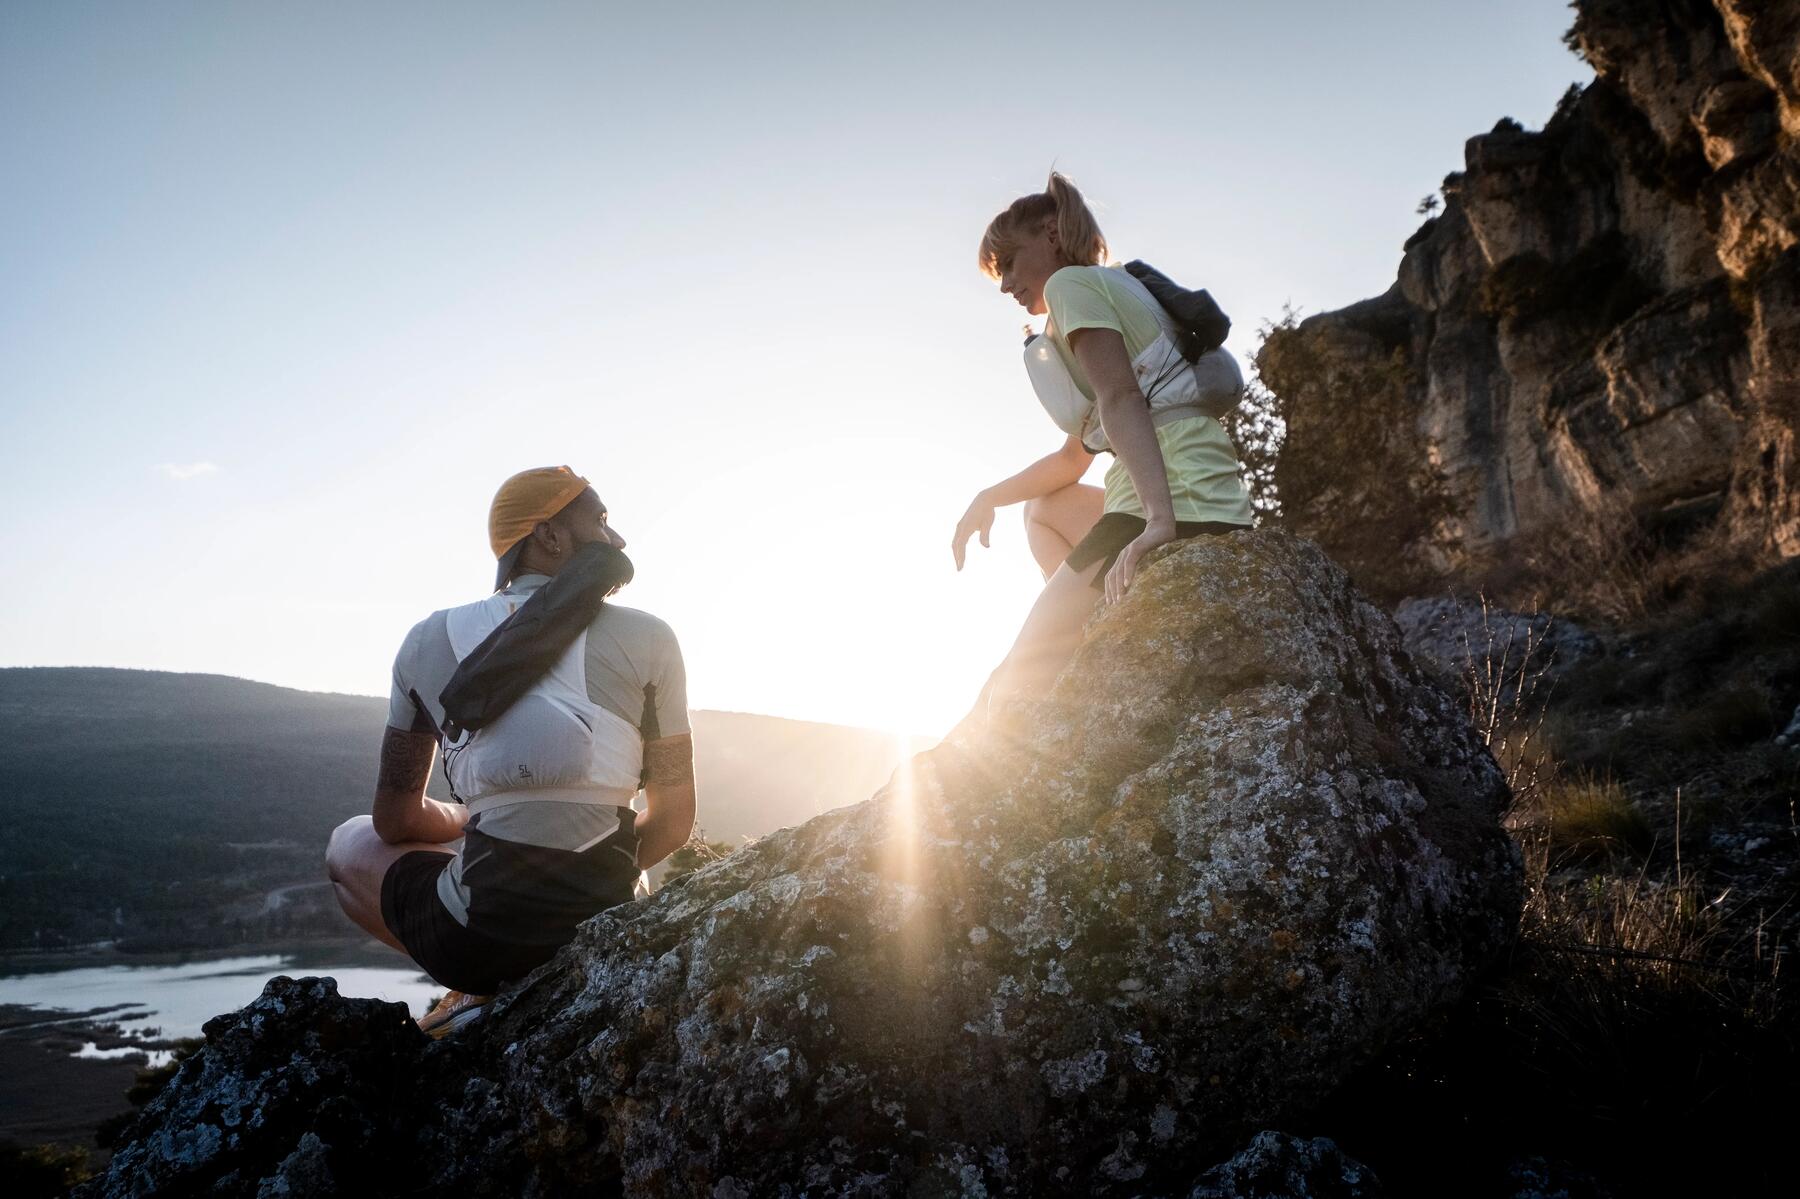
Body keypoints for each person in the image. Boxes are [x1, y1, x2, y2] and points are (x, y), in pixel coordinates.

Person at [326, 466, 695, 1035]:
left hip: (478, 945)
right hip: (607, 920)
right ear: (549, 536)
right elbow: (673, 824)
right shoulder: (651, 638)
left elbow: (394, 821)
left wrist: (464, 815)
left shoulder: (425, 640)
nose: (617, 540)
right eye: (600, 521)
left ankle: (478, 992)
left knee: (347, 843)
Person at [954, 173, 1255, 704]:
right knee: (1041, 509)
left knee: (1016, 679)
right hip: (1196, 494)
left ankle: (1082, 627)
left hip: (1172, 503)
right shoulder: (1114, 284)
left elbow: (1121, 399)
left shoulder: (1069, 286)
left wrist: (1158, 523)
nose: (1005, 285)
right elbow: (1075, 459)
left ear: (1050, 233)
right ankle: (1091, 616)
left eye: (1009, 263)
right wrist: (989, 498)